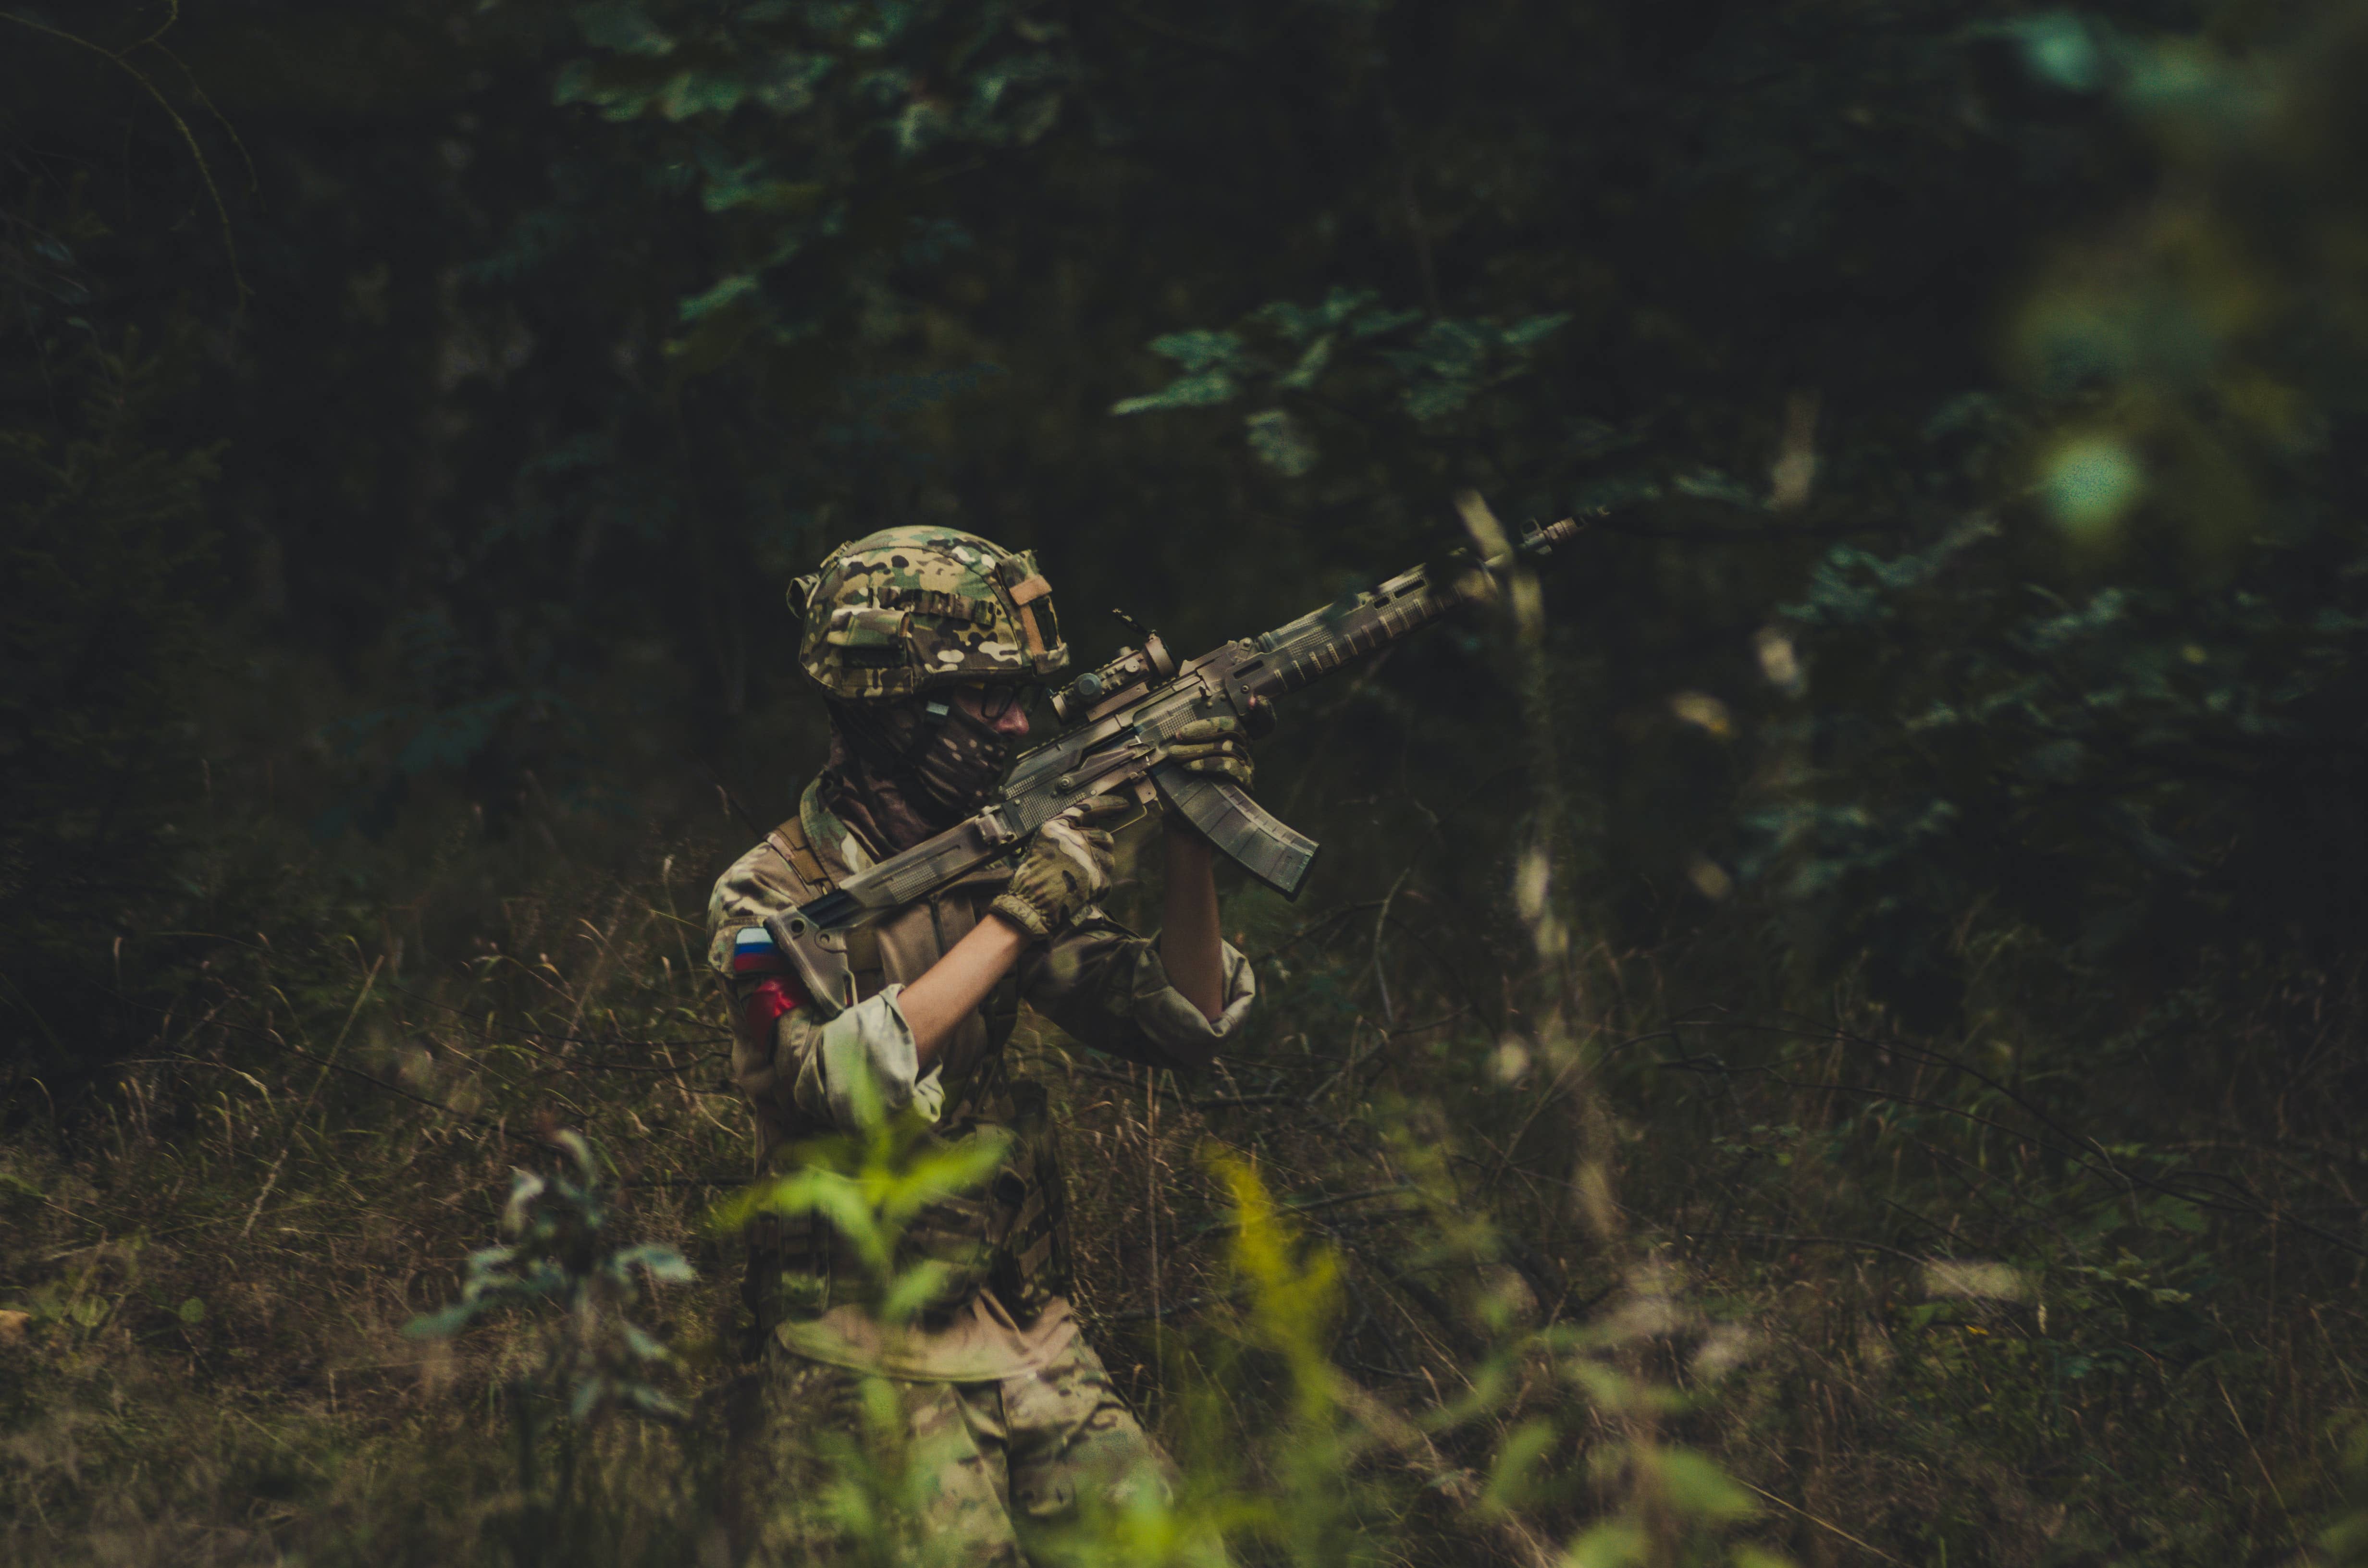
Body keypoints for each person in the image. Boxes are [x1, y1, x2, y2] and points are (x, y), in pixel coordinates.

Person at [705, 525, 1257, 1565]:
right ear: (889, 710)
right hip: (859, 1350)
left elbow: (1177, 1021)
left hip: (1023, 1324)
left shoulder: (999, 841)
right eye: (987, 697)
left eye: (1027, 693)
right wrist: (1025, 909)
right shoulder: (768, 894)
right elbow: (839, 1081)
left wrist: (1193, 833)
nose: (1017, 722)